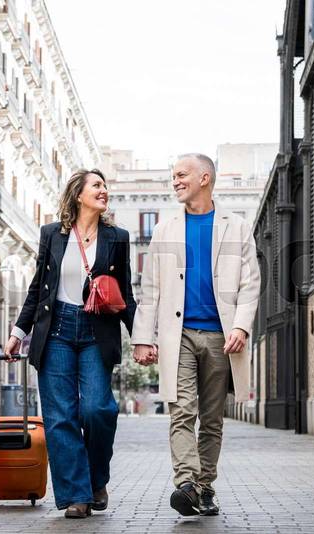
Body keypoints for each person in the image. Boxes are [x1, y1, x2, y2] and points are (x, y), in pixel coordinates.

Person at [131, 153, 260, 517]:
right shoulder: (164, 229)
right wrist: (144, 336)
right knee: (181, 409)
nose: (175, 181)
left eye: (181, 175)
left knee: (213, 418)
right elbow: (151, 287)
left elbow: (251, 284)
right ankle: (186, 483)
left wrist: (241, 326)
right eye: (173, 176)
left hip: (222, 335)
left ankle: (204, 488)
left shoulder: (236, 227)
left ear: (205, 178)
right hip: (180, 334)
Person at [4, 169, 135, 519]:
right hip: (56, 328)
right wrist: (18, 333)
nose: (103, 190)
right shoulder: (52, 234)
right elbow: (37, 288)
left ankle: (96, 480)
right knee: (60, 416)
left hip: (97, 329)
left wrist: (142, 339)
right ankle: (77, 495)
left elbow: (126, 295)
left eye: (105, 185)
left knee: (97, 409)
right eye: (96, 185)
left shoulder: (117, 237)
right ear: (78, 194)